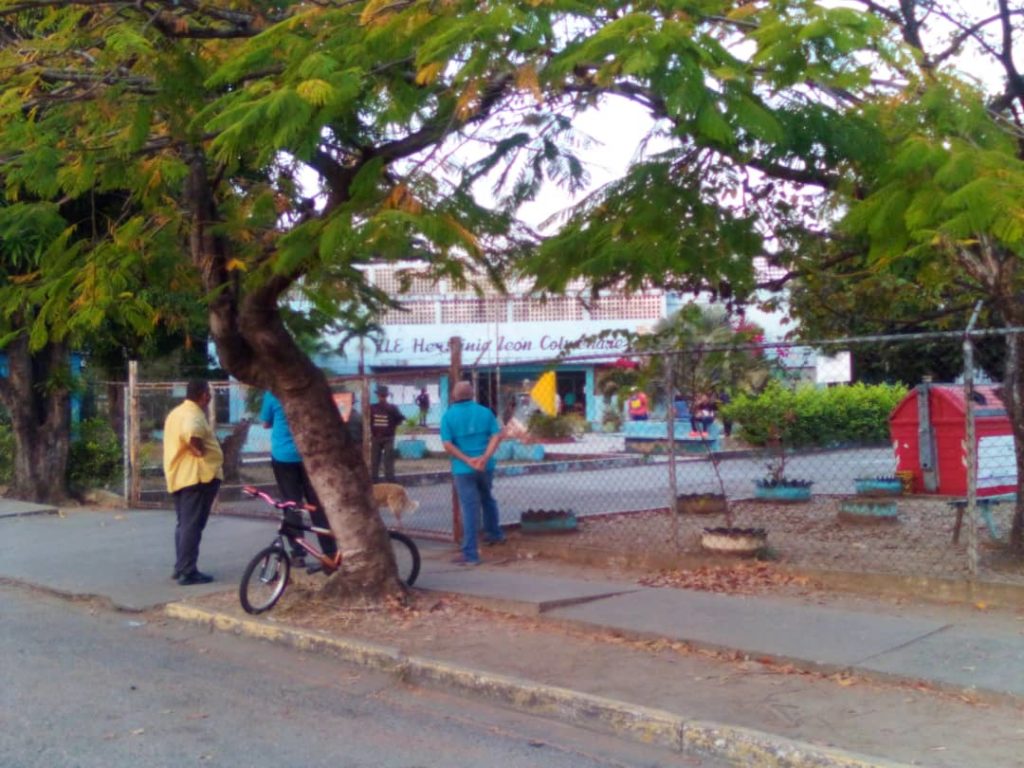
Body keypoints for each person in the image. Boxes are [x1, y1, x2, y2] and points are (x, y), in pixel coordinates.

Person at [260, 390, 336, 568]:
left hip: (283, 456)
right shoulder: (306, 390)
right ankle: (329, 552)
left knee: (292, 505)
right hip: (310, 456)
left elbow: (265, 423)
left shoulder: (272, 394)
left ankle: (298, 553)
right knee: (316, 505)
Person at [163, 380, 223, 585]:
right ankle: (187, 570)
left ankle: (181, 566)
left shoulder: (176, 413)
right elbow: (192, 434)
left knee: (185, 523)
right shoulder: (192, 415)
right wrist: (199, 450)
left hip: (181, 475)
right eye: (209, 393)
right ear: (204, 395)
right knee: (192, 525)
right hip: (196, 476)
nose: (210, 397)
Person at [441, 380, 508, 565]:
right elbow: (496, 436)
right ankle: (494, 533)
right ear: (472, 394)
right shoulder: (485, 412)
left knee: (470, 508)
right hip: (485, 467)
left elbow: (447, 444)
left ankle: (470, 554)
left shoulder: (448, 416)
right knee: (487, 497)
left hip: (463, 469)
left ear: (454, 396)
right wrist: (484, 458)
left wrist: (467, 460)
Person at [369, 384, 405, 482]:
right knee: (377, 461)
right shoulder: (373, 408)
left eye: (383, 396)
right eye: (381, 395)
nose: (382, 397)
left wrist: (392, 426)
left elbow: (400, 419)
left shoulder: (391, 408)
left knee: (383, 460)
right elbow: (400, 419)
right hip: (379, 437)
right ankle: (376, 481)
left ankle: (386, 481)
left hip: (386, 437)